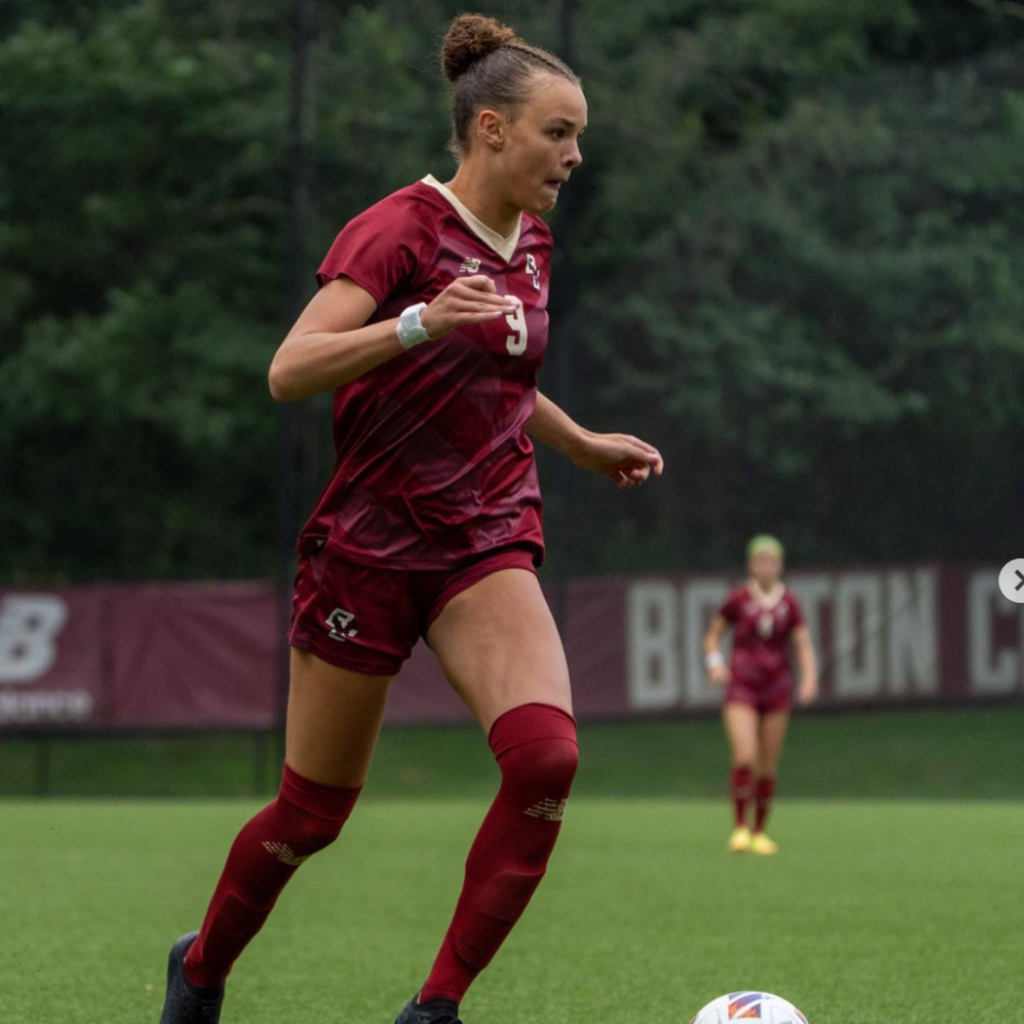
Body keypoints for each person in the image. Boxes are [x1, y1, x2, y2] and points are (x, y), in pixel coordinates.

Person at [158, 13, 663, 1024]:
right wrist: (420, 319)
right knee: (311, 815)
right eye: (558, 133)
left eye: (578, 135)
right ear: (489, 129)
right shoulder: (397, 230)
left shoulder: (535, 242)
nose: (574, 155)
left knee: (545, 759)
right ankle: (203, 965)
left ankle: (434, 1009)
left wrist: (576, 441)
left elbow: (501, 377)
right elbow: (287, 369)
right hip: (370, 546)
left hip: (485, 535)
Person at [703, 536, 817, 855]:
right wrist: (714, 664)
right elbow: (713, 636)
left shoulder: (789, 603)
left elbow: (802, 643)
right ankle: (739, 827)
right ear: (752, 565)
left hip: (777, 688)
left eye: (772, 561)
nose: (766, 566)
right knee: (746, 756)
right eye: (760, 560)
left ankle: (761, 831)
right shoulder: (739, 599)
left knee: (767, 765)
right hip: (743, 686)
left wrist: (809, 677)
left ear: (780, 565)